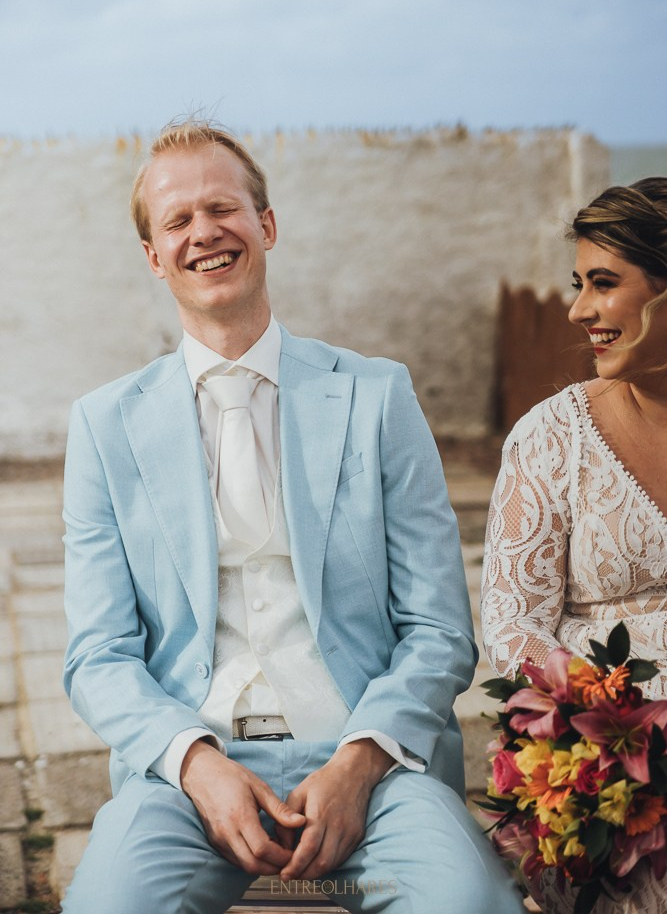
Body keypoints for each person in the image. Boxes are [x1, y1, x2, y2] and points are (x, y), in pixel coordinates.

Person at [61, 118, 523, 914]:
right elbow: (98, 655)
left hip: (371, 764)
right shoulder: (105, 426)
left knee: (470, 905)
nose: (203, 232)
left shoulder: (377, 397)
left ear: (266, 226)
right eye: (176, 221)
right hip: (185, 776)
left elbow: (439, 629)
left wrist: (359, 761)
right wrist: (196, 764)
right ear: (152, 257)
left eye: (223, 208)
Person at [481, 177, 667, 912]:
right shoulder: (551, 439)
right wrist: (595, 718)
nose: (577, 309)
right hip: (603, 770)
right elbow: (512, 627)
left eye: (602, 284)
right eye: (577, 283)